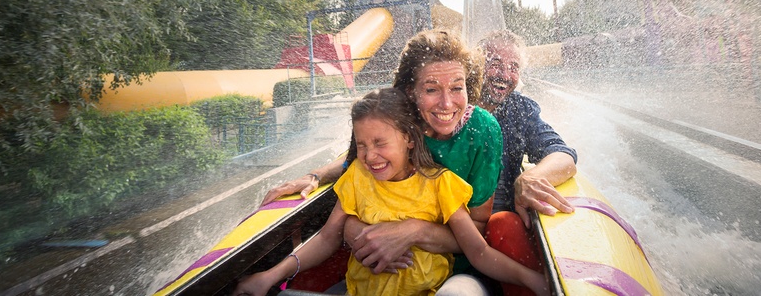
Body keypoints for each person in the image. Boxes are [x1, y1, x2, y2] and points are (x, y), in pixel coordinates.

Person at [231, 88, 547, 296]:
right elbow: (328, 237)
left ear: (409, 138)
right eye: (362, 145)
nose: (370, 156)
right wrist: (271, 275)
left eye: (381, 144)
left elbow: (477, 251)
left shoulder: (440, 184)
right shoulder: (357, 175)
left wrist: (533, 280)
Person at [261, 30, 505, 295]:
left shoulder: (482, 131)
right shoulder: (397, 119)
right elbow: (362, 157)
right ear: (411, 91)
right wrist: (317, 176)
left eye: (457, 88)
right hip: (379, 275)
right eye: (431, 89)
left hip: (454, 272)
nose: (446, 103)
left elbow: (477, 233)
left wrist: (412, 232)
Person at [477, 30, 577, 296]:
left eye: (514, 67)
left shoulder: (518, 109)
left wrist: (529, 178)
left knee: (504, 225)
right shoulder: (451, 104)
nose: (504, 75)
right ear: (476, 65)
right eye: (495, 63)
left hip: (496, 239)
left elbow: (563, 155)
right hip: (455, 230)